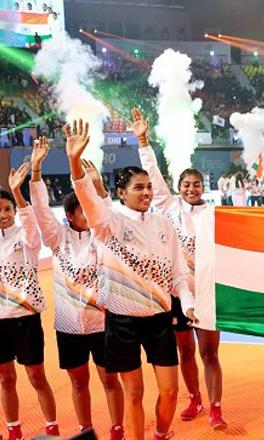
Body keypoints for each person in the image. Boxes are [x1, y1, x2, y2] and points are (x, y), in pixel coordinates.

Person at [66, 119, 197, 440]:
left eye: (149, 187)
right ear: (120, 193)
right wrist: (74, 162)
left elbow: (179, 273)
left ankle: (162, 434)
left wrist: (189, 304)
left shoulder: (164, 224)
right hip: (122, 322)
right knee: (134, 393)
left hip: (161, 320)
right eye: (138, 188)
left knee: (169, 391)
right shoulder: (108, 223)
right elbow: (87, 197)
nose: (147, 193)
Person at [132, 108, 225, 430]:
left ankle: (215, 407)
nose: (190, 189)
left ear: (203, 186)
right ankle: (195, 397)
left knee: (210, 353)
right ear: (179, 186)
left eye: (196, 184)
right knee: (185, 350)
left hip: (208, 291)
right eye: (186, 184)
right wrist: (143, 140)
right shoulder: (169, 205)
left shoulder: (214, 214)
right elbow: (152, 173)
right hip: (176, 292)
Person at [29, 137, 124, 439]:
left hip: (103, 323)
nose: (89, 213)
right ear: (70, 215)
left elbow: (107, 214)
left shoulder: (102, 235)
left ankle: (118, 428)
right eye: (83, 209)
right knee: (78, 382)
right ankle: (85, 430)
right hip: (68, 326)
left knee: (110, 380)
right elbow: (42, 211)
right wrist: (35, 172)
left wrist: (98, 190)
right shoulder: (57, 239)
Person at [0, 162, 60, 440]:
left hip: (26, 318)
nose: (3, 215)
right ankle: (13, 429)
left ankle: (52, 426)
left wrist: (17, 192)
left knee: (37, 377)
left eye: (7, 209)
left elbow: (30, 221)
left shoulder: (27, 238)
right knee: (6, 379)